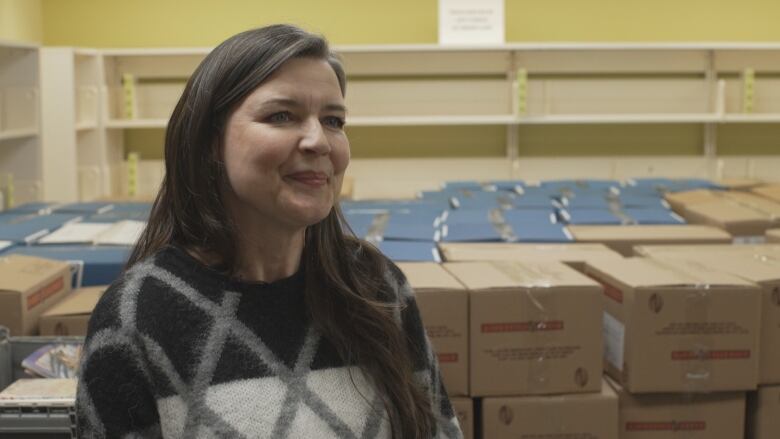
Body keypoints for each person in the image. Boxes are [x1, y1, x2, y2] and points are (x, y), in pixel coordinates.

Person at [75, 24, 463, 439]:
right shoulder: (138, 317)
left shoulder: (376, 286)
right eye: (281, 116)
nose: (319, 141)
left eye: (334, 120)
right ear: (210, 141)